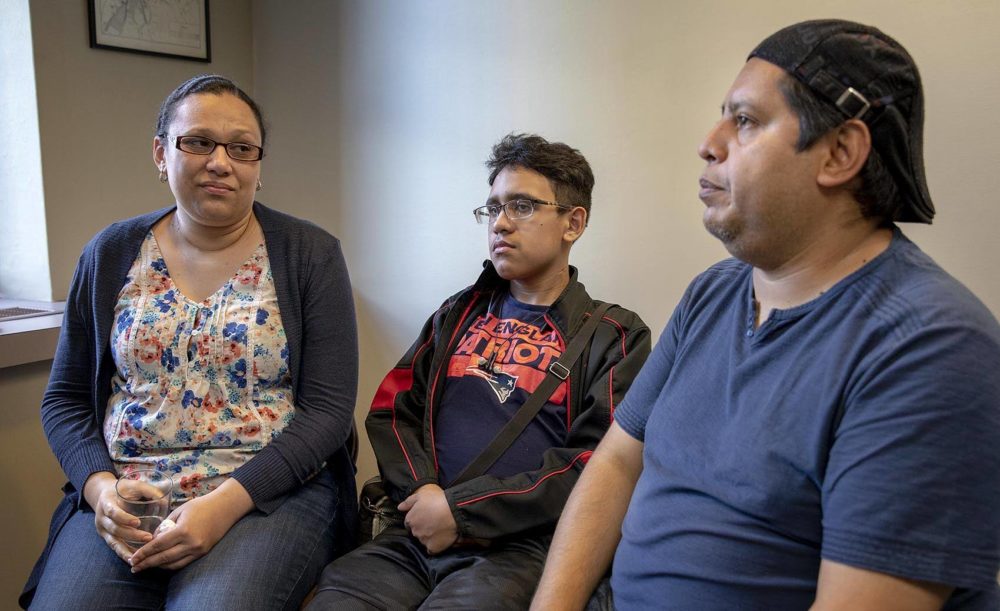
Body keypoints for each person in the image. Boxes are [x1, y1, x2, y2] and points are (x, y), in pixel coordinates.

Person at [533, 19, 1000, 610]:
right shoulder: (714, 293)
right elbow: (620, 461)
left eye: (746, 120)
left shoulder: (930, 349)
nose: (709, 141)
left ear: (840, 152)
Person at [21, 75, 359, 610]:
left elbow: (329, 413)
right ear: (161, 153)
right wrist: (100, 492)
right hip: (129, 498)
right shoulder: (110, 253)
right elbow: (63, 400)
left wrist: (224, 504)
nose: (220, 162)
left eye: (241, 148)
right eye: (198, 141)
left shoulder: (309, 254)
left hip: (264, 498)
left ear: (258, 164)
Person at [307, 133, 650, 609]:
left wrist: (464, 511)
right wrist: (424, 494)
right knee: (335, 600)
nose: (501, 224)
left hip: (522, 550)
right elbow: (393, 410)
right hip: (417, 534)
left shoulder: (613, 334)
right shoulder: (459, 312)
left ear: (573, 223)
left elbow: (595, 462)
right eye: (493, 209)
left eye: (523, 206)